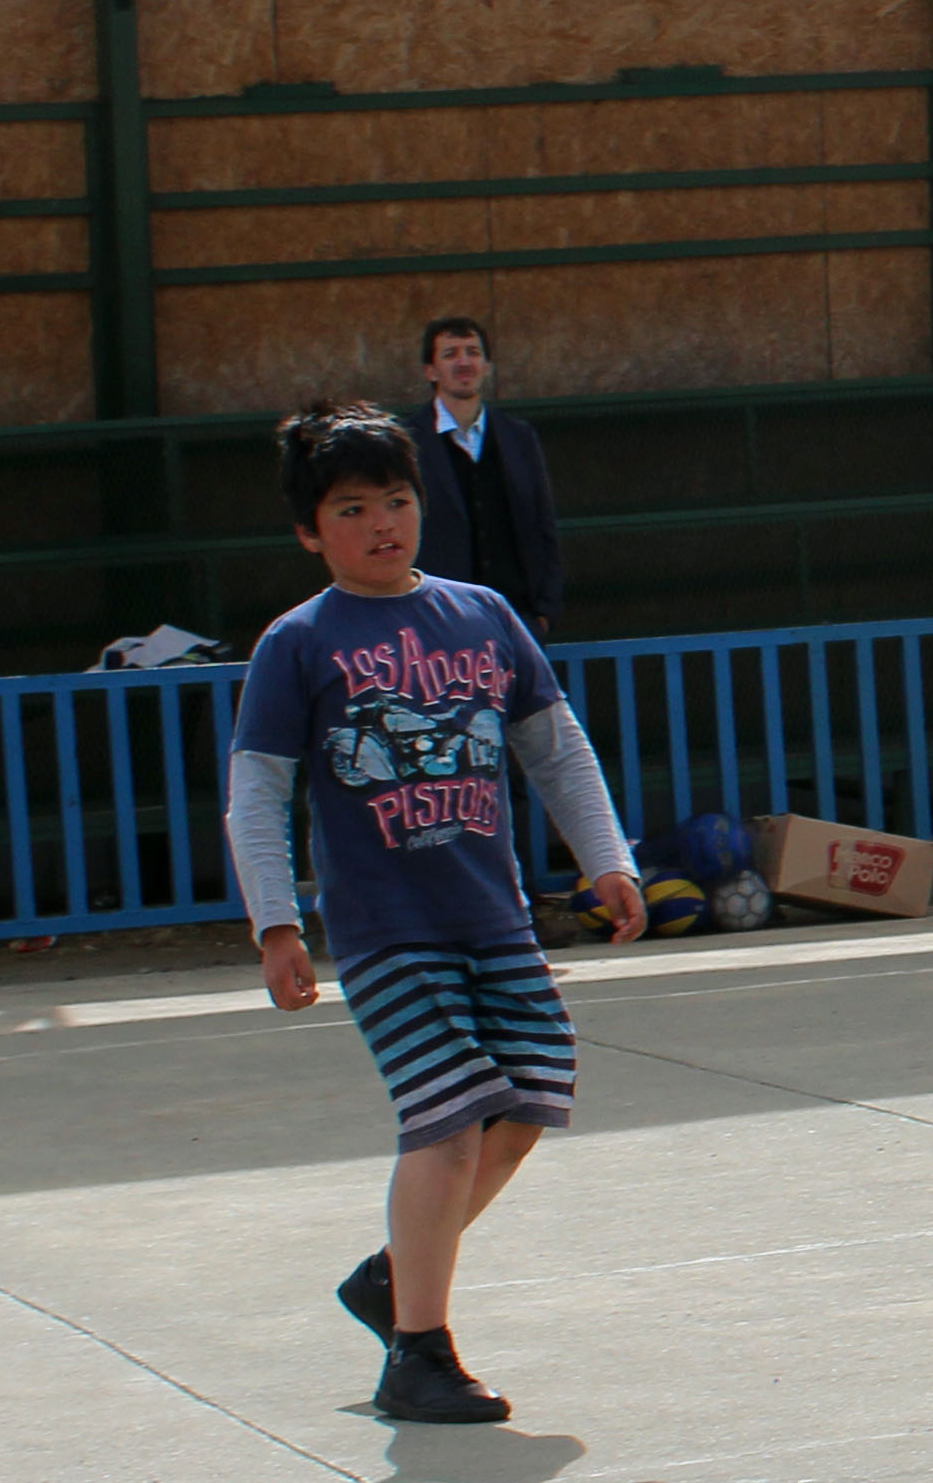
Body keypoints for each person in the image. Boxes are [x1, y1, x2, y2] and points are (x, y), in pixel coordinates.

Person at [224, 401, 646, 1426]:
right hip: (387, 932)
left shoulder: (485, 616)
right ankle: (418, 1352)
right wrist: (277, 924)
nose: (383, 525)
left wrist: (607, 859)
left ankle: (391, 1275)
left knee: (532, 1099)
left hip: (492, 918)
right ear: (309, 531)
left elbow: (555, 747)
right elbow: (258, 789)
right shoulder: (299, 643)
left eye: (399, 501)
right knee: (450, 1124)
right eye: (354, 508)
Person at [409, 313, 568, 637]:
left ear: (487, 366)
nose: (464, 362)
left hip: (517, 622)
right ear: (431, 370)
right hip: (439, 625)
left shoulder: (519, 437)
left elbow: (543, 526)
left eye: (473, 352)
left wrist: (544, 612)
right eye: (450, 354)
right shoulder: (408, 442)